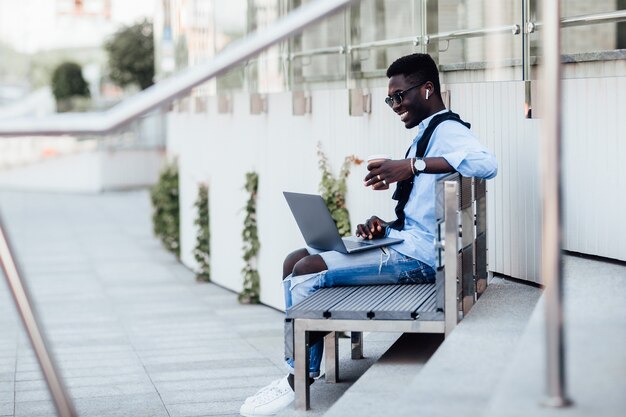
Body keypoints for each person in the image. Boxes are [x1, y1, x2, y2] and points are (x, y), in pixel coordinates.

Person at [239, 53, 498, 416]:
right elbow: (418, 214)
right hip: (407, 243)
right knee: (294, 260)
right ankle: (297, 369)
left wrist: (411, 166)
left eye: (399, 96)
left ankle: (297, 379)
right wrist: (385, 227)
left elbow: (488, 164)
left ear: (426, 89)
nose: (395, 105)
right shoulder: (427, 133)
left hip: (421, 259)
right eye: (389, 99)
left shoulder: (449, 131)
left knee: (308, 269)